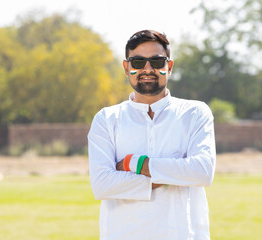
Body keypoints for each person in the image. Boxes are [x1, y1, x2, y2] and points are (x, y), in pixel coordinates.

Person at [88, 30, 216, 240]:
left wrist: (136, 164)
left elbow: (202, 171)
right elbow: (102, 185)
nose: (147, 69)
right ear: (126, 67)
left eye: (157, 62)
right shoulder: (107, 119)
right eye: (138, 62)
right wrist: (177, 171)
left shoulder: (194, 113)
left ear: (169, 66)